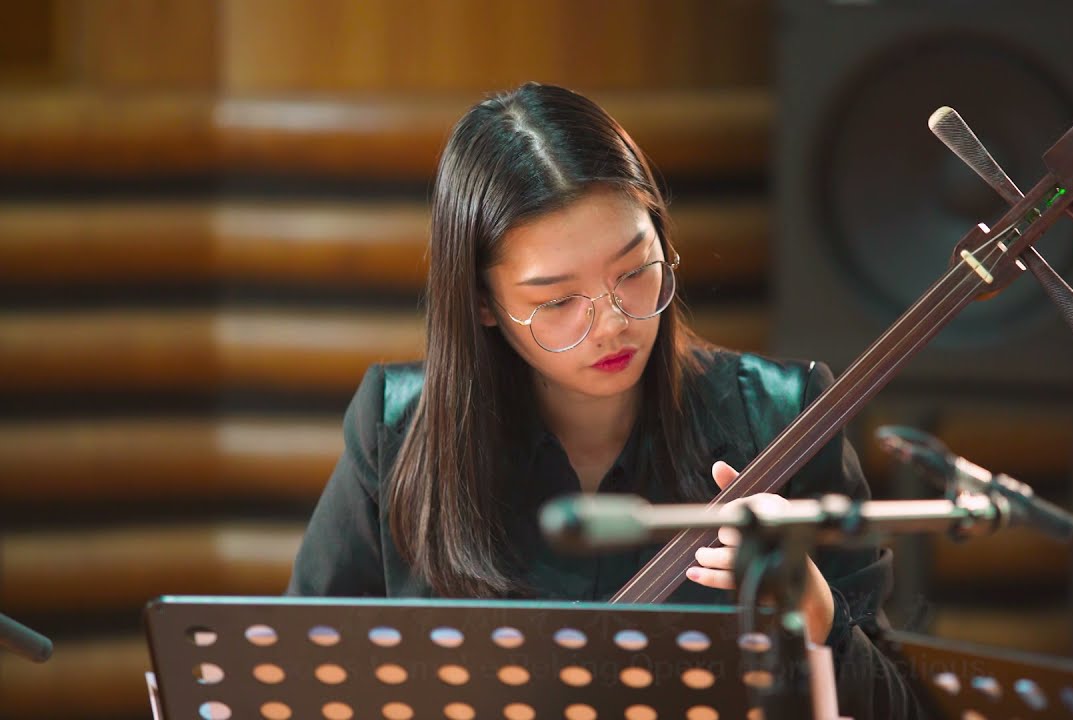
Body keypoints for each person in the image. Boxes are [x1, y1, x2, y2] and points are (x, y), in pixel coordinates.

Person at [287, 82, 922, 718]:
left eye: (634, 269)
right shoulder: (395, 427)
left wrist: (816, 610)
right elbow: (302, 677)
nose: (614, 322)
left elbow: (902, 707)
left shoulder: (784, 418)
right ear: (482, 304)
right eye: (558, 301)